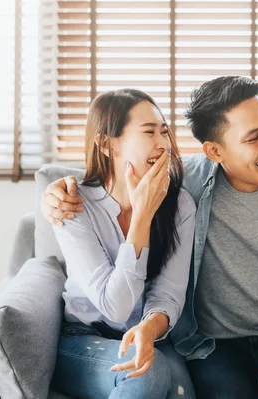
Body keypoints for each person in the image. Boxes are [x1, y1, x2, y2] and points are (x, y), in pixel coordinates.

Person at [41, 77, 258, 398]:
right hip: (208, 344)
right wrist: (57, 192)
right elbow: (108, 180)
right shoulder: (177, 187)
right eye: (253, 138)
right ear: (214, 151)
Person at [49, 89, 196, 399]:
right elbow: (114, 307)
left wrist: (150, 328)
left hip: (150, 335)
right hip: (85, 337)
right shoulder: (73, 205)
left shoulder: (180, 204)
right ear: (107, 144)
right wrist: (142, 217)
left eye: (164, 132)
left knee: (181, 393)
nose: (163, 144)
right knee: (144, 374)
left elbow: (169, 294)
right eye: (148, 132)